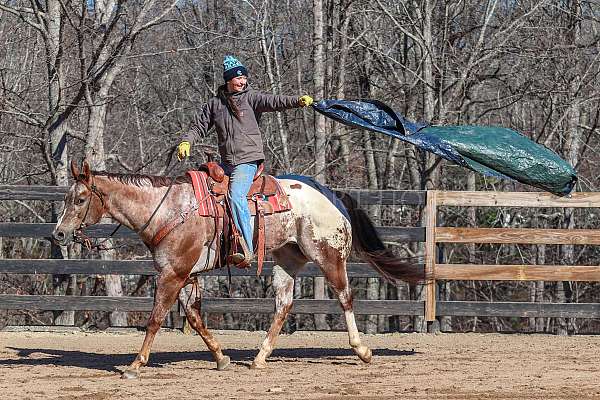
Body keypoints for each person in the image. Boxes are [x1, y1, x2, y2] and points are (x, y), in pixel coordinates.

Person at [177, 55, 313, 266]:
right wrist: (186, 142)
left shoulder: (252, 98)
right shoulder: (215, 105)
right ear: (228, 80)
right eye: (238, 79)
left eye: (244, 78)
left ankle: (246, 247)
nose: (242, 82)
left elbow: (274, 101)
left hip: (247, 161)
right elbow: (198, 127)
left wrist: (297, 101)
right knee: (200, 188)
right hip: (227, 163)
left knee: (236, 195)